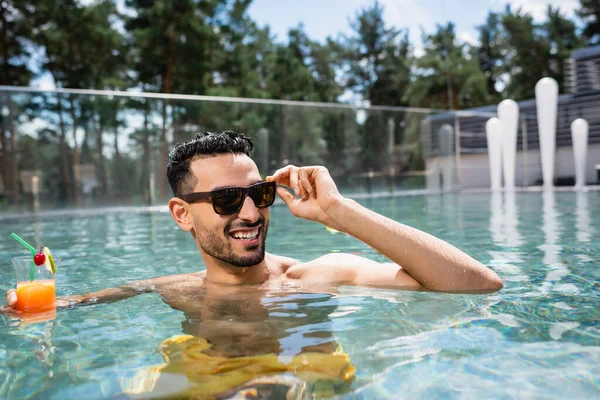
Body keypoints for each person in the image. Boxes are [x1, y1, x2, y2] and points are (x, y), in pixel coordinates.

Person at [3, 130, 502, 311]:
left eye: (259, 194)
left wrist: (339, 213)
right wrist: (26, 306)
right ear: (182, 214)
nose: (250, 213)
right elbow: (63, 306)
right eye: (225, 200)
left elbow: (479, 285)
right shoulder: (171, 289)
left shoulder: (319, 277)